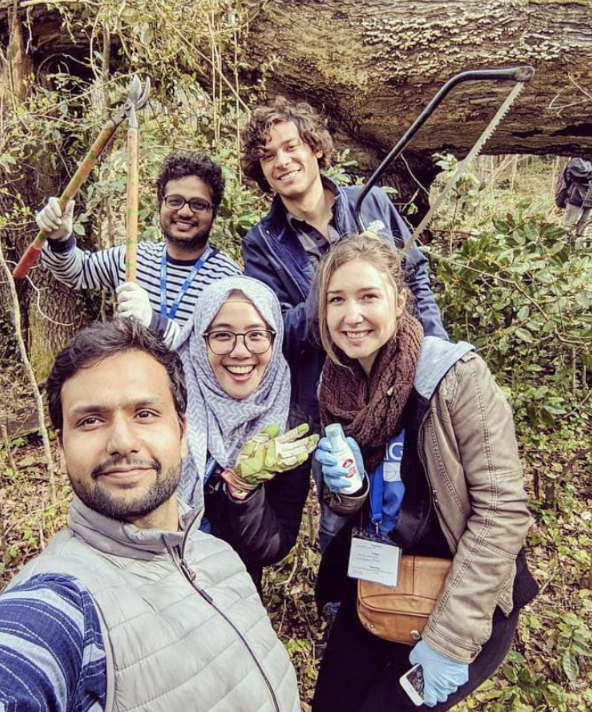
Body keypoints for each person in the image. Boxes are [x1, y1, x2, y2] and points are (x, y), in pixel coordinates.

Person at [0, 320, 301, 712]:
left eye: (145, 413)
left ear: (184, 432)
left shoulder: (218, 556)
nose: (121, 441)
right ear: (61, 446)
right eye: (91, 420)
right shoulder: (65, 600)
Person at [309, 234, 538, 711]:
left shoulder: (456, 377)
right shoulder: (336, 386)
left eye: (368, 296)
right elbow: (358, 509)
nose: (351, 315)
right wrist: (346, 492)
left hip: (459, 602)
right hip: (379, 585)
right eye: (336, 299)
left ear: (400, 299)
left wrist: (450, 641)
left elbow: (503, 512)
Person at [239, 98, 447, 426]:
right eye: (267, 156)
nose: (282, 161)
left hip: (400, 374)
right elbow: (275, 334)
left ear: (316, 149)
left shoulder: (370, 202)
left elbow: (415, 276)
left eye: (291, 146)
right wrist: (331, 292)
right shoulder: (261, 243)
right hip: (330, 404)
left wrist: (436, 349)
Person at [174, 276, 318, 589]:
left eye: (256, 335)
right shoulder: (165, 403)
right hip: (153, 583)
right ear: (200, 339)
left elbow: (272, 546)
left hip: (232, 593)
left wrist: (244, 492)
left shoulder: (287, 424)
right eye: (222, 335)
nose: (240, 351)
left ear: (275, 339)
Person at [36, 152, 241, 345]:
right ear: (160, 205)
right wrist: (60, 238)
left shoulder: (228, 280)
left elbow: (221, 355)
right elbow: (76, 272)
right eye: (175, 201)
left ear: (213, 214)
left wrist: (156, 324)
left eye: (198, 204)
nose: (185, 212)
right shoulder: (136, 257)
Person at [554, 156, 592, 245]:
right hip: (576, 197)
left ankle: (580, 247)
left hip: (590, 200)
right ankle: (563, 246)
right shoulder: (576, 159)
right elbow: (582, 173)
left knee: (583, 224)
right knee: (568, 224)